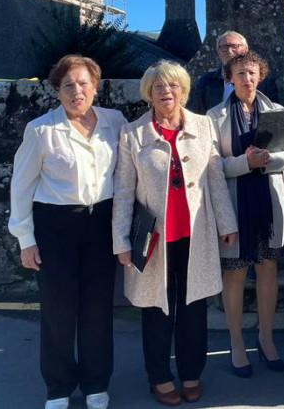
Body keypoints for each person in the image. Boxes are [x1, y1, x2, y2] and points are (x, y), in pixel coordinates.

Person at [112, 60, 238, 406]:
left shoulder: (202, 125)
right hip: (153, 239)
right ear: (148, 93)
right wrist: (120, 241)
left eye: (173, 87)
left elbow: (214, 175)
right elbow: (124, 190)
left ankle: (191, 372)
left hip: (196, 234)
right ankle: (159, 376)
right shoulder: (133, 133)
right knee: (156, 310)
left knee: (194, 307)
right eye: (158, 88)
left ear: (183, 90)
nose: (166, 93)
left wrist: (227, 223)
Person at [9, 55, 127, 409]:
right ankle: (58, 387)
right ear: (57, 90)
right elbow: (21, 186)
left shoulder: (115, 121)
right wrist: (25, 240)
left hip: (100, 225)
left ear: (95, 85)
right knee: (58, 310)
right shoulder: (41, 129)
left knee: (97, 308)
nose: (77, 91)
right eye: (68, 85)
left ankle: (95, 382)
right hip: (55, 227)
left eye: (83, 83)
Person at [206, 51, 284, 377]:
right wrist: (246, 163)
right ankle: (235, 342)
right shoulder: (213, 117)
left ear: (260, 75)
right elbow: (212, 166)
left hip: (267, 204)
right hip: (234, 204)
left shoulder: (276, 112)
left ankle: (266, 337)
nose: (247, 78)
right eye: (240, 73)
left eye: (252, 72)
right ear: (229, 78)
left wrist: (267, 161)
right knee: (235, 273)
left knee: (268, 267)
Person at [187, 31, 276, 114]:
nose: (229, 51)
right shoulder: (206, 82)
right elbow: (197, 114)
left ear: (245, 49)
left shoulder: (265, 82)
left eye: (235, 46)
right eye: (224, 47)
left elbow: (274, 115)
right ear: (218, 52)